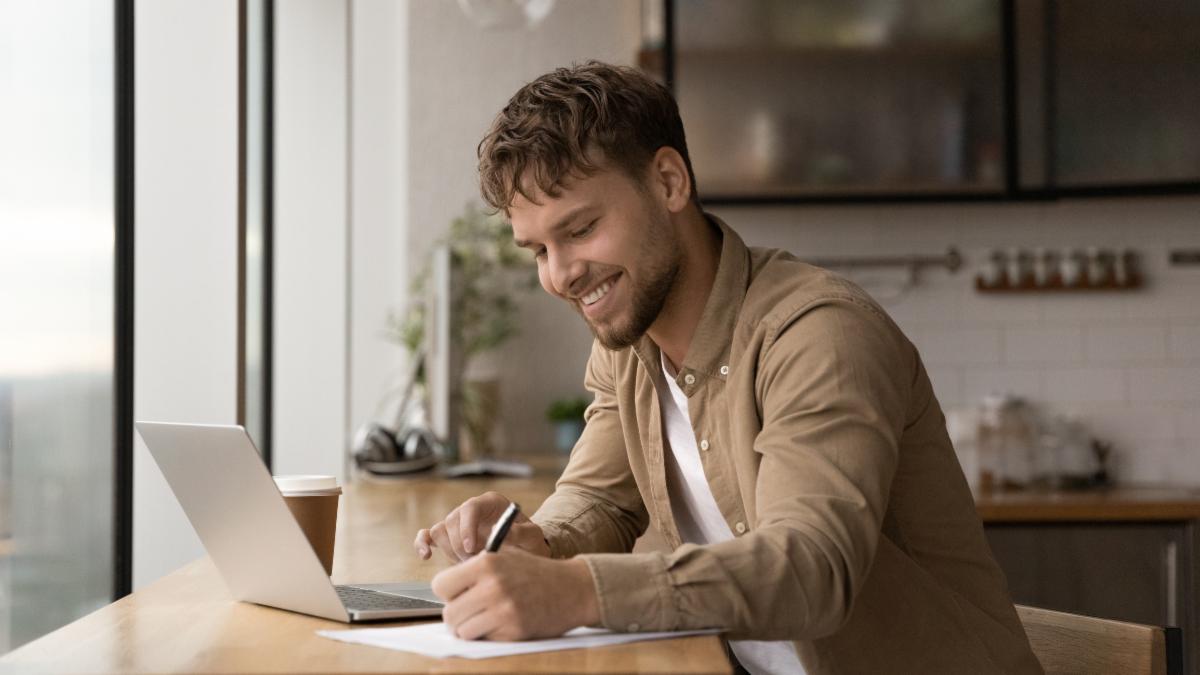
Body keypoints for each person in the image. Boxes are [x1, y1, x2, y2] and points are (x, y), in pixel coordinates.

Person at [414, 61, 1042, 674]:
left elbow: (812, 568)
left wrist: (578, 591)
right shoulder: (626, 346)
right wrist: (535, 541)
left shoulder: (820, 332)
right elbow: (599, 497)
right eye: (540, 251)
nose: (560, 274)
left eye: (580, 229)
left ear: (667, 182)